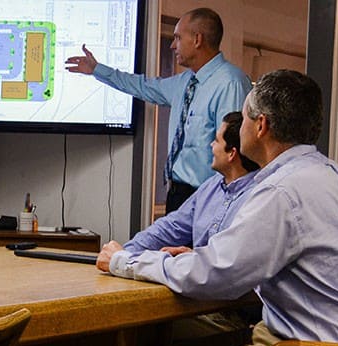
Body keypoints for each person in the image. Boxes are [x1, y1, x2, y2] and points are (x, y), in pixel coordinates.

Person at [98, 70, 338, 346]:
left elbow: (215, 275)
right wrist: (201, 258)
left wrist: (125, 261)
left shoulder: (280, 191)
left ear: (261, 125)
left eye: (245, 117)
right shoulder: (336, 177)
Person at [66, 8, 251, 214]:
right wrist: (97, 69)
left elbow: (233, 153)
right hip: (177, 195)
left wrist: (219, 207)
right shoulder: (185, 82)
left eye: (178, 38)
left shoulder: (230, 83)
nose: (173, 45)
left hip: (209, 199)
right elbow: (143, 86)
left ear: (197, 39)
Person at [105, 111, 260, 276]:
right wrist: (123, 254)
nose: (211, 145)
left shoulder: (258, 197)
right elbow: (171, 227)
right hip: (196, 281)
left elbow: (228, 265)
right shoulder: (212, 185)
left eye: (216, 140)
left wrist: (123, 261)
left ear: (231, 154)